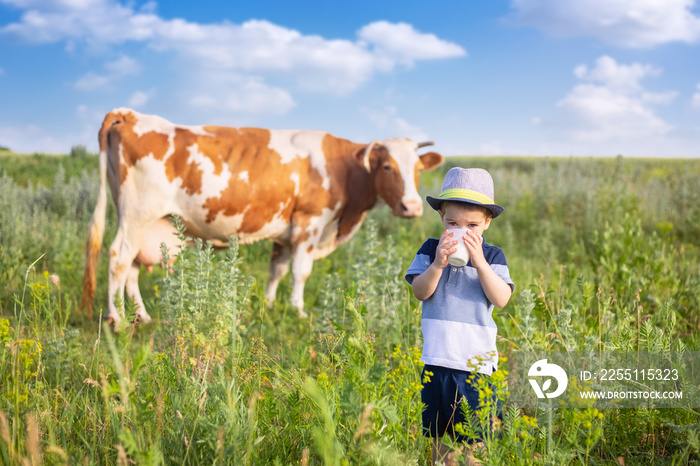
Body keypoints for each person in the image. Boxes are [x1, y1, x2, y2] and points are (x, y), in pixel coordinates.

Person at [405, 167, 514, 465]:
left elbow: (501, 298)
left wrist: (479, 262)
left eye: (472, 225)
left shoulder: (492, 257)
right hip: (436, 363)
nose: (462, 231)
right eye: (453, 223)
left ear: (487, 223)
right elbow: (421, 292)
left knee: (474, 444)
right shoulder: (430, 250)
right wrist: (438, 264)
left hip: (476, 368)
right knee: (440, 443)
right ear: (441, 217)